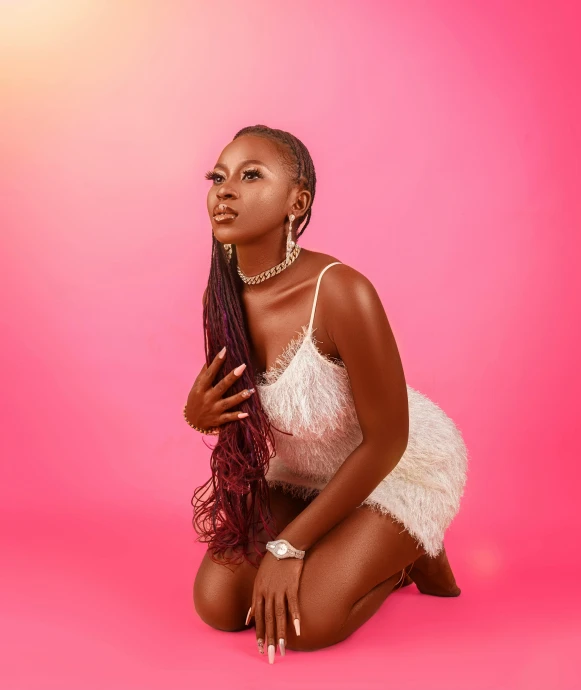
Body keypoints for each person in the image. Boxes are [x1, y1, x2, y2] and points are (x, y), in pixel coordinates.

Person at [185, 124, 468, 663]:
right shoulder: (224, 290)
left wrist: (289, 546)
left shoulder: (342, 292)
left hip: (396, 467)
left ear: (298, 201)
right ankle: (373, 551)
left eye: (250, 176)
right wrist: (198, 414)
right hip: (304, 471)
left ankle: (410, 554)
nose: (224, 190)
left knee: (303, 623)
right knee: (218, 604)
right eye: (217, 177)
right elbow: (239, 407)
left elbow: (389, 440)